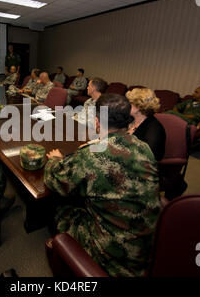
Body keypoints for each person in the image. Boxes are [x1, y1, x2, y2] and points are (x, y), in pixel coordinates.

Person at [44, 94, 161, 277]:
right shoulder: (144, 147)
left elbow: (55, 180)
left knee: (61, 205)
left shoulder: (92, 155)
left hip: (112, 256)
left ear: (97, 122)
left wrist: (55, 160)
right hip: (145, 248)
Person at [126, 88, 166, 161]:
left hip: (140, 167)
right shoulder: (130, 119)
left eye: (130, 104)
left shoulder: (154, 129)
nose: (126, 106)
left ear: (138, 107)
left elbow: (148, 157)